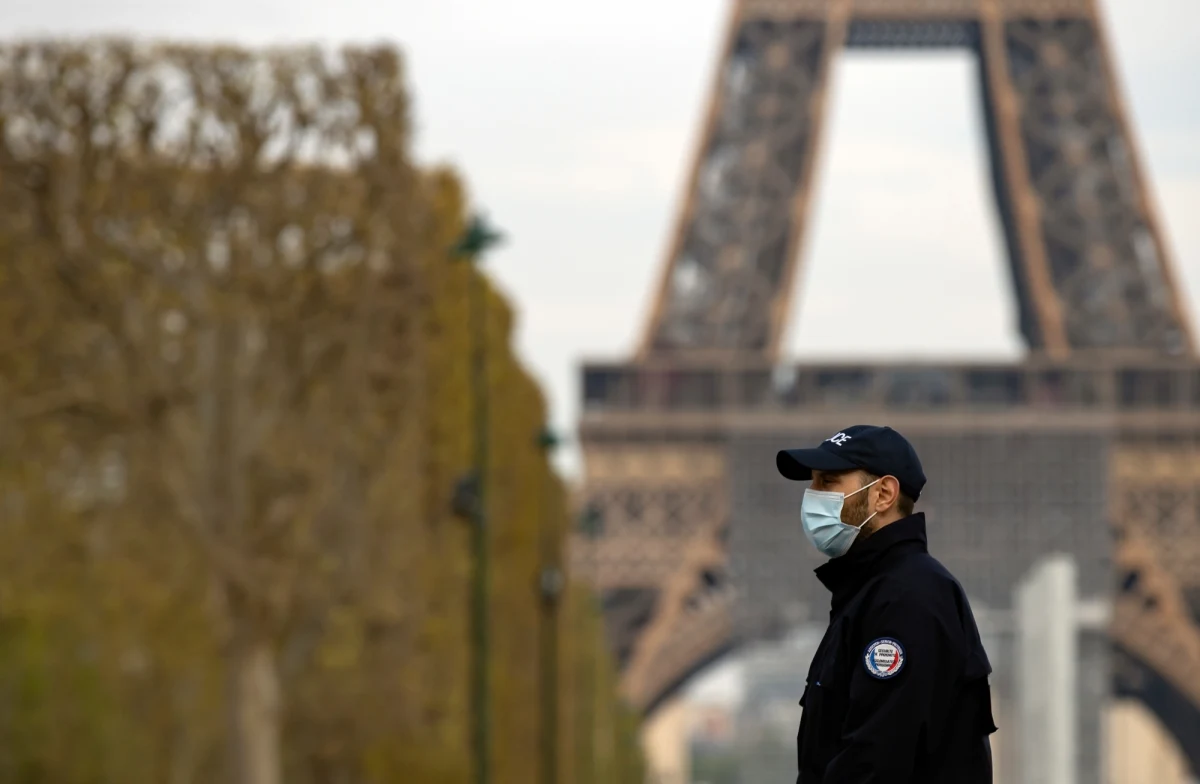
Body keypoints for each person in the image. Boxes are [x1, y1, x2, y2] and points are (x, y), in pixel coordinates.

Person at [777, 424, 997, 783]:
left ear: (883, 494)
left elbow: (875, 762)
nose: (811, 495)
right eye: (813, 482)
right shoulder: (875, 593)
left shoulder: (907, 597)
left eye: (828, 482)